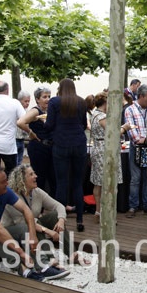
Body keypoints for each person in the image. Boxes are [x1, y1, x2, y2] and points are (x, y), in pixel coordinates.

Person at [0, 166, 69, 281]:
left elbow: (26, 210)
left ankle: (43, 267)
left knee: (24, 228)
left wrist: (33, 236)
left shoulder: (4, 191)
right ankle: (23, 270)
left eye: (6, 180)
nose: (7, 183)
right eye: (3, 182)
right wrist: (21, 252)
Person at [5, 164, 92, 266]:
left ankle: (72, 254)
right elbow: (23, 222)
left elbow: (58, 206)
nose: (36, 176)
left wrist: (61, 220)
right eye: (31, 174)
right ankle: (49, 258)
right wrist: (48, 231)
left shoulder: (36, 192)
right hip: (13, 232)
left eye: (34, 173)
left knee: (55, 216)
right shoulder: (13, 197)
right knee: (36, 223)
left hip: (32, 226)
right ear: (22, 180)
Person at [45, 78, 89, 232]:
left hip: (61, 143)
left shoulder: (55, 102)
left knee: (61, 183)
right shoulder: (81, 102)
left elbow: (49, 125)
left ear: (60, 88)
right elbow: (84, 124)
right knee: (77, 183)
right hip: (79, 143)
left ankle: (60, 220)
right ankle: (80, 220)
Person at [89, 92, 126, 223]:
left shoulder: (94, 114)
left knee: (98, 183)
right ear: (105, 103)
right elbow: (114, 132)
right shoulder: (102, 116)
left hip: (97, 148)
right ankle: (108, 214)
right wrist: (124, 128)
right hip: (105, 151)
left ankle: (98, 211)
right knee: (109, 183)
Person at [17, 87, 56, 196]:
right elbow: (20, 122)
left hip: (49, 147)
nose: (47, 99)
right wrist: (30, 132)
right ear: (37, 99)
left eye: (49, 96)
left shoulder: (48, 111)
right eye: (44, 97)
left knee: (52, 177)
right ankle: (37, 202)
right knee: (40, 177)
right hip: (39, 147)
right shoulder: (35, 111)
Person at [124, 83, 147, 218]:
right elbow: (131, 129)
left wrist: (146, 139)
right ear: (140, 96)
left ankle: (146, 205)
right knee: (135, 178)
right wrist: (140, 139)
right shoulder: (130, 110)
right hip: (137, 147)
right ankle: (133, 206)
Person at [14, 90, 31, 165]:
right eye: (25, 101)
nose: (27, 103)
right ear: (19, 101)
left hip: (22, 139)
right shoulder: (16, 110)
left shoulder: (27, 111)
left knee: (19, 161)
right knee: (15, 161)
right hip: (15, 139)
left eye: (28, 101)